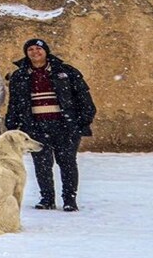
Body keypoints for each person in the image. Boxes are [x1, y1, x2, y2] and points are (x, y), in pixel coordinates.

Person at [5, 38, 96, 212]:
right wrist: (12, 125)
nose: (34, 52)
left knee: (67, 163)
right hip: (35, 127)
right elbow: (15, 103)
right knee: (42, 164)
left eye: (38, 48)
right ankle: (47, 198)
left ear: (46, 51)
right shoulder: (20, 75)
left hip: (65, 126)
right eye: (30, 49)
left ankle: (69, 199)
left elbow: (84, 98)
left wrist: (82, 121)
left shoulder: (66, 72)